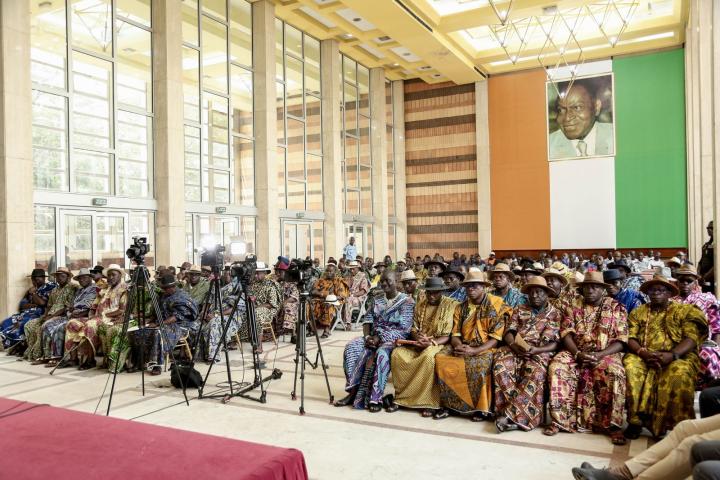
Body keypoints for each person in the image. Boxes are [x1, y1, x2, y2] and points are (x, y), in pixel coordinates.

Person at [545, 271, 628, 445]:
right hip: (576, 351)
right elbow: (566, 333)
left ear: (603, 289)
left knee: (615, 372)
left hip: (605, 352)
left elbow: (622, 340)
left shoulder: (616, 307)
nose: (590, 290)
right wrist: (577, 353)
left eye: (595, 287)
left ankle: (613, 425)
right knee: (557, 367)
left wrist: (600, 355)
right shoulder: (573, 306)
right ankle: (560, 420)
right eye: (587, 287)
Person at [624, 274, 708, 440]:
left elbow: (692, 337)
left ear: (670, 293)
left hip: (679, 355)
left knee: (678, 375)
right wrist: (643, 353)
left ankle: (675, 426)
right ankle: (635, 421)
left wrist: (673, 355)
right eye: (652, 290)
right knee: (630, 368)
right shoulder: (638, 312)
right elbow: (630, 337)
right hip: (643, 354)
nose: (656, 293)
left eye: (661, 290)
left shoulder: (684, 311)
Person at [434, 270, 511, 421]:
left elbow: (495, 338)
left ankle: (480, 408)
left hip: (486, 347)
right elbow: (455, 334)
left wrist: (474, 351)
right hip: (463, 345)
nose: (470, 289)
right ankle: (449, 405)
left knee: (480, 365)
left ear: (484, 287)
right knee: (441, 358)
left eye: (475, 286)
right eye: (468, 286)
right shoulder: (460, 308)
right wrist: (459, 346)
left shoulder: (497, 305)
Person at [334, 270, 414, 411]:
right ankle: (353, 392)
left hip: (394, 339)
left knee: (381, 354)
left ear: (396, 281)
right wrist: (367, 337)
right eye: (381, 281)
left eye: (387, 280)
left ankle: (375, 398)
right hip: (373, 337)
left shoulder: (407, 302)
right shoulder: (377, 299)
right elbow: (367, 320)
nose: (383, 283)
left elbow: (404, 329)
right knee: (352, 347)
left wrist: (380, 338)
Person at [494, 276, 561, 433]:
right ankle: (508, 413)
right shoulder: (520, 309)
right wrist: (514, 346)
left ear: (547, 294)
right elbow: (509, 332)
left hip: (541, 351)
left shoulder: (555, 313)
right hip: (517, 348)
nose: (535, 296)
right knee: (500, 366)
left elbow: (556, 342)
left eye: (539, 292)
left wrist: (537, 350)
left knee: (535, 372)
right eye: (532, 292)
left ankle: (511, 416)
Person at [389, 277, 457, 417]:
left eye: (435, 293)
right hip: (418, 343)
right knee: (397, 354)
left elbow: (449, 335)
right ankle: (402, 398)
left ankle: (428, 402)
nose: (431, 296)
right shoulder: (421, 304)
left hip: (440, 343)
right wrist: (417, 338)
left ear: (442, 292)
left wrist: (431, 343)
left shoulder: (451, 305)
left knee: (428, 357)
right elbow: (413, 328)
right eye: (429, 292)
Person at [66, 264, 128, 370]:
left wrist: (103, 315)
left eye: (113, 275)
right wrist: (91, 315)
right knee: (72, 323)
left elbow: (121, 310)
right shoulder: (104, 289)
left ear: (120, 276)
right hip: (96, 317)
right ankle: (73, 358)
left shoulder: (124, 290)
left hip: (110, 318)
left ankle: (90, 360)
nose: (110, 277)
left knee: (90, 326)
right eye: (109, 275)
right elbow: (94, 306)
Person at [39, 268, 96, 366]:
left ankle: (58, 357)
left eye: (85, 278)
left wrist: (76, 312)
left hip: (83, 316)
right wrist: (71, 310)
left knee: (59, 328)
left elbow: (91, 307)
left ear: (90, 278)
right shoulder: (79, 290)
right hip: (71, 315)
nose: (82, 280)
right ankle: (47, 356)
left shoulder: (94, 289)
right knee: (48, 325)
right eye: (80, 279)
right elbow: (71, 305)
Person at [675, 264, 720, 386]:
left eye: (689, 281)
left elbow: (716, 325)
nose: (685, 283)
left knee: (708, 353)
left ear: (695, 282)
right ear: (677, 282)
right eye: (681, 280)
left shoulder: (707, 298)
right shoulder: (671, 301)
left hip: (702, 342)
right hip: (677, 341)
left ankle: (710, 387)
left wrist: (716, 345)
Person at [548, 80, 614, 160]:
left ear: (596, 107)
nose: (567, 118)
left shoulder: (615, 136)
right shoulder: (549, 146)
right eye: (561, 110)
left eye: (577, 108)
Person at [25, 267, 78, 363]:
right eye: (58, 276)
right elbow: (49, 305)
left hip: (63, 315)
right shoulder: (54, 290)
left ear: (68, 277)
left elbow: (67, 307)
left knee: (46, 326)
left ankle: (49, 356)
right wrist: (45, 315)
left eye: (62, 276)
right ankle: (36, 353)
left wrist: (52, 317)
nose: (60, 278)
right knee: (30, 325)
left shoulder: (72, 288)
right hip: (50, 314)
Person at [0, 269, 55, 352]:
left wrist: (34, 294)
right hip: (24, 313)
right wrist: (34, 304)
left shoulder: (50, 286)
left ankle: (9, 344)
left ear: (44, 278)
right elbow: (22, 305)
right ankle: (3, 340)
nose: (34, 281)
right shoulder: (30, 290)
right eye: (33, 279)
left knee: (21, 324)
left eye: (37, 279)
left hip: (38, 314)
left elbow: (43, 303)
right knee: (6, 322)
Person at [196, 272, 245, 363]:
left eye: (230, 274)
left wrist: (217, 314)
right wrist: (204, 312)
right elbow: (208, 301)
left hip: (230, 317)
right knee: (196, 324)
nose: (227, 275)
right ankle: (199, 353)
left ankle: (213, 355)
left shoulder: (239, 288)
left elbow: (235, 308)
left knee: (216, 322)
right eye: (226, 273)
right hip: (211, 315)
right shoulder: (216, 286)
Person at [157, 274, 199, 361]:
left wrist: (160, 323)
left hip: (183, 325)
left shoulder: (181, 297)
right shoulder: (165, 296)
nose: (163, 290)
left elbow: (178, 316)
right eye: (163, 288)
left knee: (160, 332)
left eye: (165, 288)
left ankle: (158, 361)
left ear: (172, 287)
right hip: (167, 322)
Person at [311, 260, 349, 338]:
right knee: (309, 304)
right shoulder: (321, 280)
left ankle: (326, 329)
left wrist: (329, 297)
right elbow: (313, 291)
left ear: (335, 272)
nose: (328, 273)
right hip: (320, 299)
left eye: (331, 271)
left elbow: (341, 295)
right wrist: (323, 294)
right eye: (327, 271)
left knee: (328, 305)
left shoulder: (339, 281)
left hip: (334, 301)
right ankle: (312, 329)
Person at [247, 261, 282, 346]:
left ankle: (259, 344)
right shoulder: (253, 284)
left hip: (268, 309)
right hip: (253, 307)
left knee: (257, 313)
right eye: (255, 273)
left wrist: (256, 307)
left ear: (265, 273)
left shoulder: (271, 285)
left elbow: (271, 304)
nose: (255, 275)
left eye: (258, 273)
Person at [274, 259, 299, 339]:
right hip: (277, 302)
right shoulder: (276, 282)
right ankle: (277, 331)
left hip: (290, 302)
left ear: (286, 272)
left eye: (280, 272)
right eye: (277, 271)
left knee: (288, 307)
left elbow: (294, 297)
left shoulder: (292, 283)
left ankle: (293, 334)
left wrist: (284, 302)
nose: (278, 273)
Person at [342, 260, 370, 330]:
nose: (351, 270)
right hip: (349, 296)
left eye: (353, 269)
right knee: (340, 299)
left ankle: (348, 323)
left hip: (359, 298)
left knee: (348, 300)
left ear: (357, 268)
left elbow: (363, 291)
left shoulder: (363, 277)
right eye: (350, 269)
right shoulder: (349, 276)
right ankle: (338, 321)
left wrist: (353, 295)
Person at [700, 221, 716, 293]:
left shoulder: (717, 244)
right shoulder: (706, 245)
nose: (708, 230)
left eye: (711, 228)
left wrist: (705, 276)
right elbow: (701, 260)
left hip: (713, 278)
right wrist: (698, 274)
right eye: (707, 228)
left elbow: (716, 265)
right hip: (703, 277)